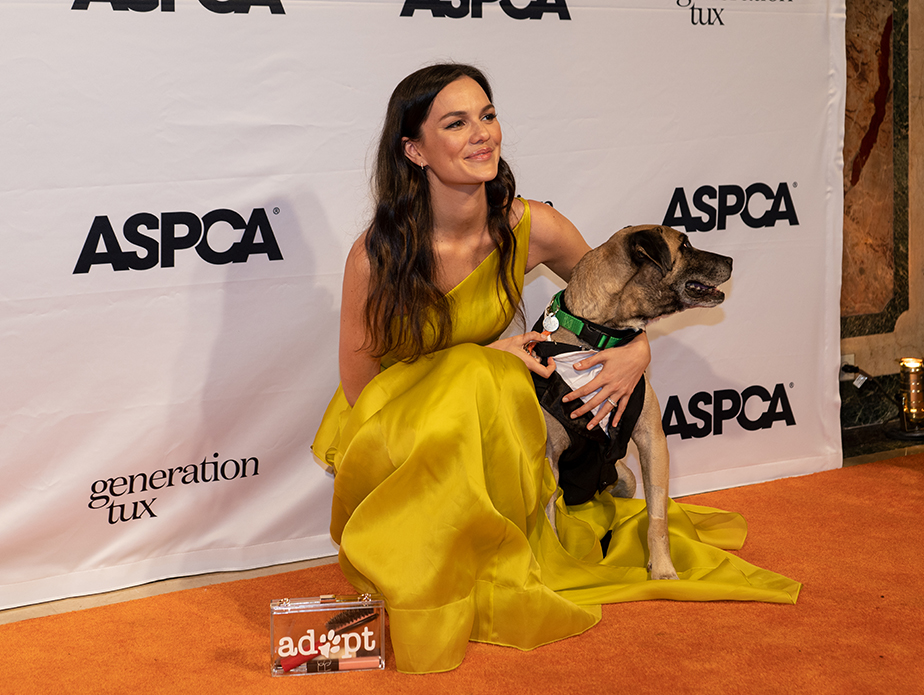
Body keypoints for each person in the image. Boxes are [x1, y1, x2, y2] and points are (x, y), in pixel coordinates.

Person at [312, 63, 800, 674]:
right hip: (397, 426)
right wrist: (477, 357)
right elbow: (361, 390)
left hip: (487, 421)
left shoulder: (528, 225)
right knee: (486, 375)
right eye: (456, 123)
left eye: (487, 116)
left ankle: (495, 549)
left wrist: (637, 351)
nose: (482, 133)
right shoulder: (377, 254)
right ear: (414, 150)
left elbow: (612, 294)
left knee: (497, 382)